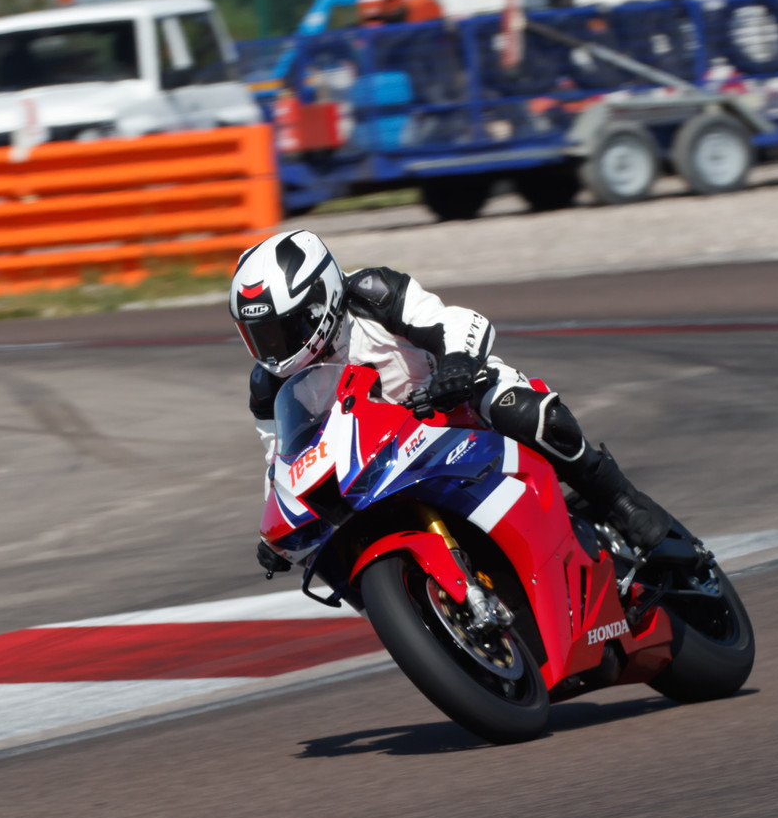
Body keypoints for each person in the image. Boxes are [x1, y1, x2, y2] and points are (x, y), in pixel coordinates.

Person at [232, 229, 674, 575]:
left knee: (523, 411)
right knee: (329, 545)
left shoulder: (372, 293)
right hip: (379, 461)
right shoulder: (269, 385)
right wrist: (277, 535)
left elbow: (455, 321)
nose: (272, 348)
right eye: (259, 336)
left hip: (452, 405)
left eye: (281, 330)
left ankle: (620, 501)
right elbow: (281, 462)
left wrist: (457, 365)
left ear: (320, 303)